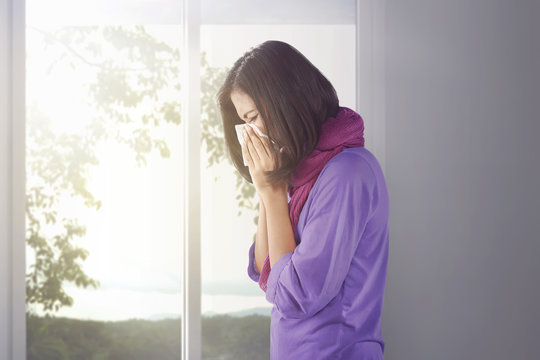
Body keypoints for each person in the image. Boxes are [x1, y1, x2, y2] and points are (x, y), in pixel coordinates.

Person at [216, 40, 389, 360]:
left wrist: (271, 192)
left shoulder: (346, 173)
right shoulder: (300, 176)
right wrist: (268, 189)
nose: (250, 134)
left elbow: (295, 294)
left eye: (252, 117)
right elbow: (265, 271)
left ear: (284, 101)